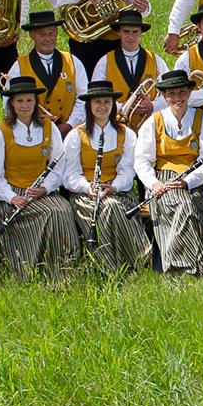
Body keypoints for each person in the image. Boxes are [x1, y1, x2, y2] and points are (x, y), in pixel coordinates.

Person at [0, 74, 78, 280]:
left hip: (41, 191)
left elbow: (58, 166)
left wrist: (46, 187)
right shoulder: (1, 132)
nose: (25, 105)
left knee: (61, 210)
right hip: (13, 194)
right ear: (12, 104)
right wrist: (12, 197)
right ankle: (27, 270)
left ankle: (62, 271)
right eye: (19, 101)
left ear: (36, 102)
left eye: (29, 100)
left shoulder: (48, 127)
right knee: (50, 213)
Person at [59, 82, 152, 274]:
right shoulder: (76, 136)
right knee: (108, 207)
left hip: (118, 192)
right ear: (89, 105)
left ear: (113, 105)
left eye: (107, 102)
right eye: (97, 102)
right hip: (86, 194)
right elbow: (69, 175)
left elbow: (127, 171)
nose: (102, 106)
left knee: (112, 205)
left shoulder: (126, 134)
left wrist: (114, 187)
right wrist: (88, 188)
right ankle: (115, 264)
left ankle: (132, 262)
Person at [135, 69, 203, 275]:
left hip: (194, 179)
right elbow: (142, 160)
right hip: (163, 180)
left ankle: (181, 264)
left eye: (182, 93)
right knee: (183, 205)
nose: (177, 98)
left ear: (189, 93)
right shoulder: (153, 122)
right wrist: (154, 184)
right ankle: (196, 263)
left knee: (195, 203)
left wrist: (188, 181)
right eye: (171, 94)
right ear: (164, 96)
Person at [78, 9, 159, 130]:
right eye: (126, 32)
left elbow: (168, 93)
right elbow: (96, 95)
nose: (131, 37)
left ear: (141, 33)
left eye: (135, 32)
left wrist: (152, 105)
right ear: (119, 33)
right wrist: (124, 107)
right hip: (115, 125)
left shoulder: (156, 60)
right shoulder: (104, 62)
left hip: (149, 125)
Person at [10, 9, 77, 134]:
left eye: (51, 33)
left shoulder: (73, 61)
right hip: (33, 130)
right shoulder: (19, 66)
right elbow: (9, 104)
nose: (47, 38)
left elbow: (82, 98)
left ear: (57, 33)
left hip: (68, 131)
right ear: (32, 36)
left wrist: (70, 124)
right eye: (41, 34)